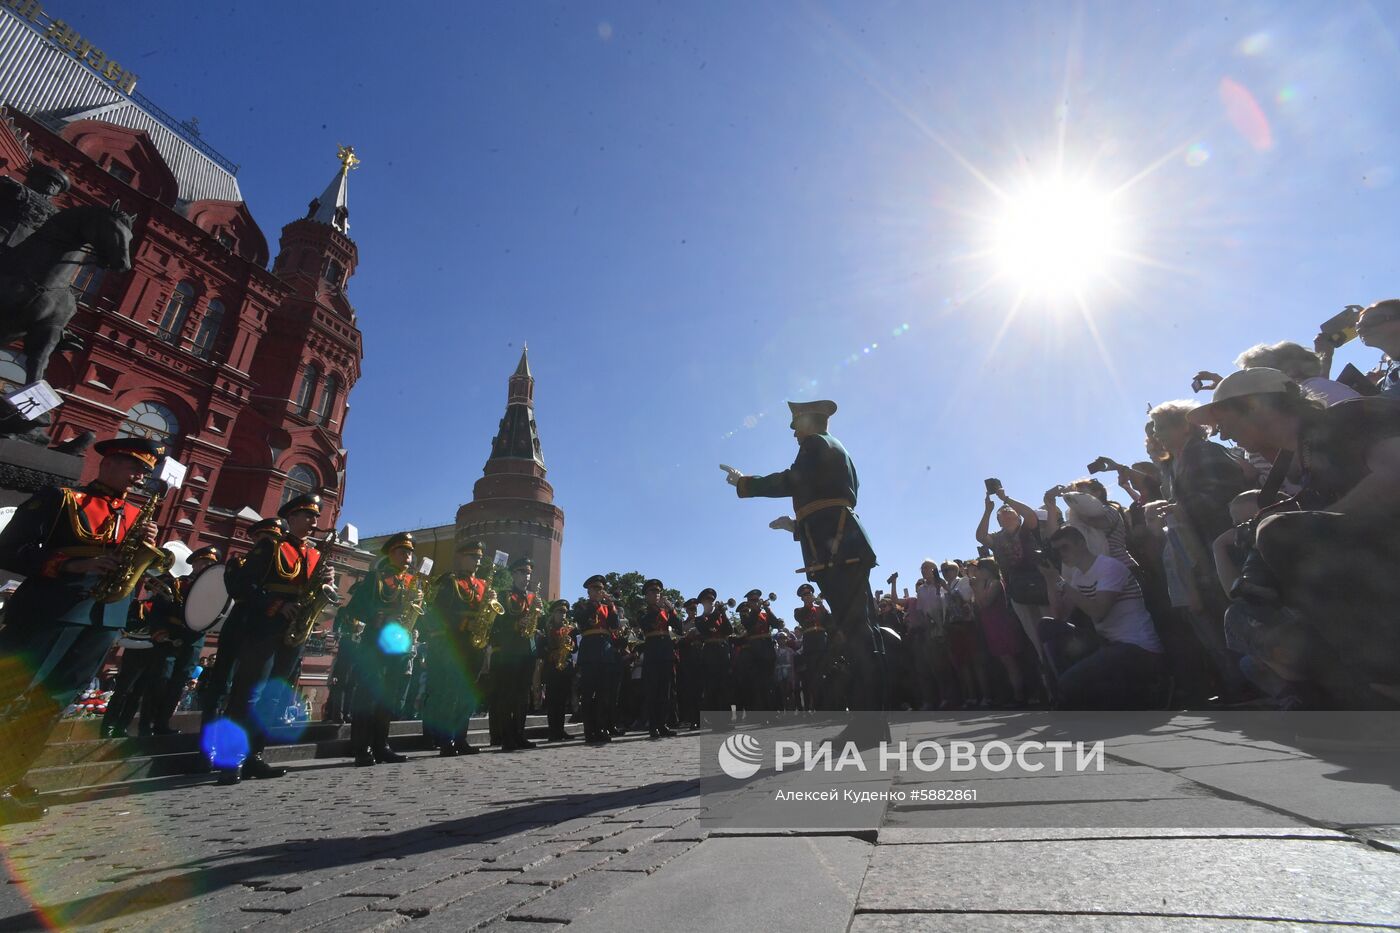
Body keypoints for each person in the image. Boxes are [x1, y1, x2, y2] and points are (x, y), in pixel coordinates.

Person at [1189, 367, 1400, 702]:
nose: (1224, 434)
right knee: (1245, 616)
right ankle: (1350, 695)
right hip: (1381, 570)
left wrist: (1293, 526)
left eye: (1225, 425)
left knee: (1278, 531)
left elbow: (1395, 472)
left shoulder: (1343, 420)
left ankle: (1388, 683)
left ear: (1255, 407)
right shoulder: (1304, 467)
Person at [0, 436, 163, 823]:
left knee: (52, 702)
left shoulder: (135, 515)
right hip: (51, 610)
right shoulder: (61, 499)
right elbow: (7, 549)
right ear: (107, 462)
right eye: (133, 466)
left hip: (103, 618)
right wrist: (72, 566)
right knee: (11, 694)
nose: (139, 476)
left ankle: (10, 777)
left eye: (144, 471)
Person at [723, 399, 886, 727]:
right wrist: (797, 526)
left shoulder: (815, 444)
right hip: (841, 540)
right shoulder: (835, 448)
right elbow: (825, 496)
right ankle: (873, 723)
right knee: (862, 632)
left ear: (810, 423)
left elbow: (792, 481)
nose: (793, 430)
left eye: (796, 423)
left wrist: (746, 483)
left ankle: (868, 726)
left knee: (855, 635)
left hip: (835, 546)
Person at [213, 493, 332, 784]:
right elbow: (242, 586)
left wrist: (325, 581)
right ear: (290, 518)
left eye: (316, 517)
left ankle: (254, 755)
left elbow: (311, 591)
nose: (313, 521)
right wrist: (278, 604)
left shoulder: (314, 554)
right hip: (265, 626)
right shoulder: (271, 546)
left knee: (272, 696)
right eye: (307, 516)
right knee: (248, 693)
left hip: (294, 631)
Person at [1037, 526, 1166, 708]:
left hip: (1138, 647)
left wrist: (1060, 581)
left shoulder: (1108, 566)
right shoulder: (1078, 576)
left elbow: (1098, 612)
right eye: (1056, 550)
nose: (1061, 554)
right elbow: (1060, 616)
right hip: (1109, 644)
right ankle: (1062, 695)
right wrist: (1050, 580)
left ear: (1081, 543)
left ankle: (1071, 696)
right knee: (1046, 626)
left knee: (1070, 683)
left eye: (1064, 547)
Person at [341, 532, 421, 766]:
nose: (408, 556)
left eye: (410, 552)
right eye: (403, 551)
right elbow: (354, 609)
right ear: (391, 553)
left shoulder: (412, 582)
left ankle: (381, 744)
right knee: (368, 694)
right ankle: (362, 746)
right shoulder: (376, 578)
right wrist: (380, 616)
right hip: (375, 643)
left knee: (389, 696)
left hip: (399, 644)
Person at [199, 518, 285, 727]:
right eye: (267, 538)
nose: (271, 544)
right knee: (222, 678)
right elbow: (237, 589)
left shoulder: (281, 565)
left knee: (248, 685)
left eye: (275, 539)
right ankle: (209, 729)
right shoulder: (238, 563)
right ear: (255, 538)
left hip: (263, 627)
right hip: (240, 620)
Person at [976, 485, 1052, 689]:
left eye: (1008, 511)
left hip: (1041, 584)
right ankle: (1050, 684)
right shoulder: (998, 538)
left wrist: (1006, 498)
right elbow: (980, 536)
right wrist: (988, 510)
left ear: (1016, 516)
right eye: (1002, 514)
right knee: (1034, 637)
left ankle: (1060, 673)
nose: (1005, 513)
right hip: (1017, 591)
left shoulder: (1026, 530)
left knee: (1052, 629)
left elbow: (1030, 515)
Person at [420, 540, 491, 755]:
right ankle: (446, 739)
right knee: (449, 692)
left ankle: (461, 738)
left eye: (479, 558)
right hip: (453, 644)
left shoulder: (483, 585)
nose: (477, 562)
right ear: (461, 558)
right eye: (473, 557)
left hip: (474, 645)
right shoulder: (449, 582)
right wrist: (463, 624)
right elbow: (438, 613)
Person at [154, 545, 220, 732]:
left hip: (194, 639)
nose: (206, 566)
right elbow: (159, 610)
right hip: (171, 636)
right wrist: (159, 630)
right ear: (194, 564)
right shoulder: (177, 583)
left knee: (179, 681)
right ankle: (146, 721)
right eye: (203, 562)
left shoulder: (214, 592)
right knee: (162, 678)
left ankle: (162, 723)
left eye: (210, 564)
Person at [490, 557, 541, 751]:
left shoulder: (532, 597)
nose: (526, 576)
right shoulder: (504, 596)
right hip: (509, 651)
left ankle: (520, 734)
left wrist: (537, 615)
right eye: (522, 572)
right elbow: (497, 625)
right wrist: (515, 624)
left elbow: (537, 625)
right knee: (508, 695)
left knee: (522, 696)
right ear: (513, 575)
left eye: (528, 573)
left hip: (527, 651)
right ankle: (506, 736)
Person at [968, 559, 1026, 707]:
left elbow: (985, 603)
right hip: (990, 626)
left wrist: (977, 587)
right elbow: (979, 605)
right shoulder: (986, 584)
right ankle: (1012, 693)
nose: (978, 573)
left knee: (1010, 662)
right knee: (1004, 662)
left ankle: (1020, 696)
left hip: (1001, 624)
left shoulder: (995, 583)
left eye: (980, 569)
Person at [573, 575, 622, 743]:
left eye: (601, 589)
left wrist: (612, 605)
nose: (601, 592)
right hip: (589, 652)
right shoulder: (582, 606)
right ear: (589, 591)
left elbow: (614, 626)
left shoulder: (608, 608)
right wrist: (594, 605)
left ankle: (600, 728)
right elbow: (580, 620)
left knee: (604, 694)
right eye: (597, 589)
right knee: (588, 694)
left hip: (605, 652)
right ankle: (589, 730)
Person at [636, 578, 680, 738]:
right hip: (653, 652)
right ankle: (653, 726)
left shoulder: (666, 611)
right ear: (646, 595)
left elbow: (679, 627)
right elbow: (645, 624)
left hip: (666, 652)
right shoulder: (644, 611)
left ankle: (663, 724)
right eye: (653, 592)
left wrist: (672, 609)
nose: (656, 594)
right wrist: (657, 609)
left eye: (658, 592)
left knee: (665, 692)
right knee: (652, 691)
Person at [734, 589, 778, 717]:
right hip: (755, 654)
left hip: (768, 651)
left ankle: (773, 712)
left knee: (770, 683)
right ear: (748, 602)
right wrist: (757, 609)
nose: (756, 602)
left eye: (757, 600)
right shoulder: (746, 615)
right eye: (753, 600)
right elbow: (749, 624)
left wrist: (768, 609)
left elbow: (776, 624)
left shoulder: (764, 615)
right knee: (758, 685)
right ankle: (761, 714)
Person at [694, 587, 733, 724]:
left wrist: (724, 614)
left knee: (724, 686)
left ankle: (726, 720)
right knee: (712, 687)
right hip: (710, 652)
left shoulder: (720, 616)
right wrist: (717, 613)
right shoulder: (699, 619)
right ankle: (715, 721)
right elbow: (706, 628)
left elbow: (729, 630)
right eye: (708, 600)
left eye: (712, 600)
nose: (711, 602)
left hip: (722, 651)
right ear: (702, 603)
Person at [791, 583, 830, 711]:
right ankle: (817, 707)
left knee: (826, 676)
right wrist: (811, 603)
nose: (807, 596)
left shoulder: (820, 609)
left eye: (809, 594)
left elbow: (830, 621)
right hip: (810, 646)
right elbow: (802, 617)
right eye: (805, 595)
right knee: (813, 677)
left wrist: (822, 605)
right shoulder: (798, 611)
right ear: (801, 598)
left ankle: (828, 706)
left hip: (822, 644)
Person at [542, 599, 575, 741]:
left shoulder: (569, 629)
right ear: (553, 613)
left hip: (565, 666)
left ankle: (560, 730)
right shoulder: (547, 629)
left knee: (562, 701)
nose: (563, 615)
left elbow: (575, 648)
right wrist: (551, 654)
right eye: (560, 612)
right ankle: (552, 731)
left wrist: (571, 643)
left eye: (565, 612)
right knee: (552, 701)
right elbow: (541, 648)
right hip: (551, 667)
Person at [1357, 300, 1400, 399]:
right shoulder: (1392, 371)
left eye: (1373, 320)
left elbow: (1388, 404)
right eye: (1358, 325)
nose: (1360, 329)